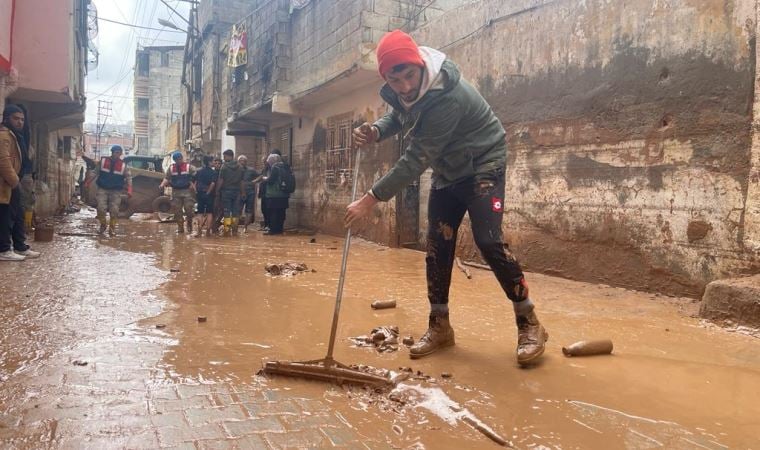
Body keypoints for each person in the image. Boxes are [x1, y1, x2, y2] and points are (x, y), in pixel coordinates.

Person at [346, 30, 547, 365]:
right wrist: (377, 130)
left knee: (489, 241)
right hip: (449, 170)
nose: (405, 86)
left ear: (420, 65)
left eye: (409, 75)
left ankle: (530, 323)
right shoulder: (407, 92)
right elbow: (400, 113)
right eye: (395, 81)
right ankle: (440, 326)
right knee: (438, 246)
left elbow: (416, 158)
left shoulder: (446, 96)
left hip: (483, 164)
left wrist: (370, 198)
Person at [0, 104, 40, 261]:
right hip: (7, 182)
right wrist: (14, 181)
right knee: (6, 216)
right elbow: (3, 161)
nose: (20, 122)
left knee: (18, 215)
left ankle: (20, 246)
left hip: (15, 180)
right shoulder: (4, 136)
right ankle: (3, 250)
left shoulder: (15, 135)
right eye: (16, 118)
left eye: (22, 119)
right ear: (6, 118)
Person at [88, 144, 132, 236]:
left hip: (116, 190)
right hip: (103, 189)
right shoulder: (103, 161)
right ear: (112, 152)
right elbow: (94, 172)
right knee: (100, 208)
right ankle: (103, 225)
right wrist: (87, 182)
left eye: (120, 153)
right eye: (116, 152)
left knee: (115, 210)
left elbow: (128, 177)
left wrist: (129, 190)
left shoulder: (123, 165)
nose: (118, 154)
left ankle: (112, 229)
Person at [160, 151, 196, 234]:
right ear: (174, 160)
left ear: (182, 158)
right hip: (176, 192)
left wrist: (193, 184)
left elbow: (196, 175)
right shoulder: (171, 168)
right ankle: (180, 228)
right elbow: (167, 178)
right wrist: (162, 185)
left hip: (187, 191)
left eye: (179, 159)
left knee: (189, 209)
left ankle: (189, 225)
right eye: (176, 160)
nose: (178, 161)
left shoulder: (188, 167)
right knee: (177, 211)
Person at [215, 149, 245, 235]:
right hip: (237, 192)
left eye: (224, 156)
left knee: (227, 211)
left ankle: (227, 230)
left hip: (226, 192)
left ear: (229, 156)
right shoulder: (240, 167)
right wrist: (243, 193)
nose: (223, 158)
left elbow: (221, 180)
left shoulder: (224, 167)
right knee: (235, 212)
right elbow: (242, 181)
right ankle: (235, 230)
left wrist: (217, 191)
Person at [262, 153, 290, 235]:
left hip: (274, 194)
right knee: (281, 212)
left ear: (273, 160)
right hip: (284, 194)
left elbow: (271, 181)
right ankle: (279, 229)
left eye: (269, 161)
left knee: (273, 212)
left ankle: (273, 230)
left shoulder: (275, 167)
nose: (268, 163)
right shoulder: (286, 166)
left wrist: (265, 178)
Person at [194, 155, 217, 237]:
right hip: (209, 195)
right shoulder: (213, 172)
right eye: (213, 161)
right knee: (209, 213)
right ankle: (208, 231)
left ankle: (199, 230)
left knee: (200, 212)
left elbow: (195, 182)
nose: (214, 162)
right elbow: (213, 183)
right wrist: (208, 192)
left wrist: (196, 191)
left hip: (199, 193)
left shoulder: (199, 171)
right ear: (209, 162)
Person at [238, 155, 260, 232]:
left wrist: (254, 181)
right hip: (239, 193)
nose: (242, 162)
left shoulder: (251, 170)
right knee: (238, 210)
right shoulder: (236, 170)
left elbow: (260, 175)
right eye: (241, 160)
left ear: (246, 162)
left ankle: (245, 227)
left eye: (244, 161)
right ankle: (235, 227)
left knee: (249, 210)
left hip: (250, 192)